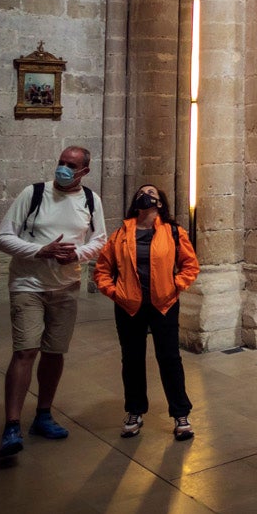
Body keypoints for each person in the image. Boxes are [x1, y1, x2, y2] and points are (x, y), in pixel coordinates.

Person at [0, 146, 107, 458]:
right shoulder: (34, 193)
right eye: (61, 162)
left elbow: (100, 241)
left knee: (55, 352)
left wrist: (78, 253)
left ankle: (43, 415)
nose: (63, 169)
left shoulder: (90, 200)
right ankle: (12, 425)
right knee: (26, 351)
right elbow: (1, 237)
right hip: (27, 284)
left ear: (84, 171)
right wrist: (39, 250)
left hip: (66, 286)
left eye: (71, 165)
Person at [95, 184, 200, 441]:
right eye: (142, 192)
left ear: (160, 202)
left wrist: (175, 285)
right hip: (129, 305)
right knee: (131, 360)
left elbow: (190, 265)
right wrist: (115, 292)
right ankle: (134, 411)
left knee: (169, 359)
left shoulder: (173, 232)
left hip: (163, 304)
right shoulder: (121, 233)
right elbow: (102, 269)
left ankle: (180, 414)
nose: (146, 195)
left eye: (152, 192)